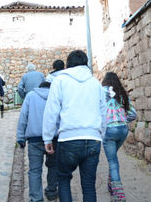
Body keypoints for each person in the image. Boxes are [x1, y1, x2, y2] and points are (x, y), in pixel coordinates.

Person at [43, 50, 106, 202]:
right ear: (86, 64)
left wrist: (47, 138)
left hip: (68, 139)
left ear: (68, 64)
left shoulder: (60, 81)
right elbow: (103, 113)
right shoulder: (95, 83)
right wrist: (100, 136)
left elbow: (51, 110)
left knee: (63, 180)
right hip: (92, 139)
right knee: (89, 186)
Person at [17, 82, 58, 202]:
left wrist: (20, 137)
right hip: (53, 138)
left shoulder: (30, 96)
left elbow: (23, 116)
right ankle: (51, 191)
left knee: (34, 170)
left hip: (34, 139)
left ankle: (36, 198)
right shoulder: (55, 96)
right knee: (53, 166)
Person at [102, 72, 137, 202]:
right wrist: (122, 120)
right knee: (113, 159)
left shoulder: (100, 92)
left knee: (112, 162)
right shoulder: (121, 93)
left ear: (105, 81)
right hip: (123, 129)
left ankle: (119, 196)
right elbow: (133, 114)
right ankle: (111, 184)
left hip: (109, 130)